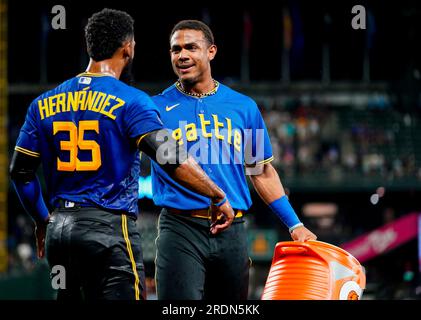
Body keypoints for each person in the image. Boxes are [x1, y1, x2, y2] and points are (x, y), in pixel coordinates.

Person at [9, 10, 234, 301]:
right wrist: (217, 194)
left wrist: (42, 220)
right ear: (127, 47)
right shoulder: (130, 100)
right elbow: (170, 157)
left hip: (60, 232)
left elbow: (21, 173)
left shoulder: (43, 102)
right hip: (109, 231)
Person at [150, 20, 317, 300]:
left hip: (233, 232)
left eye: (191, 47)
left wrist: (295, 225)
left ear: (211, 51)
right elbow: (170, 162)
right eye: (175, 49)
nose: (182, 55)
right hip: (180, 229)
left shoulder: (243, 107)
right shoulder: (156, 108)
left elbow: (260, 171)